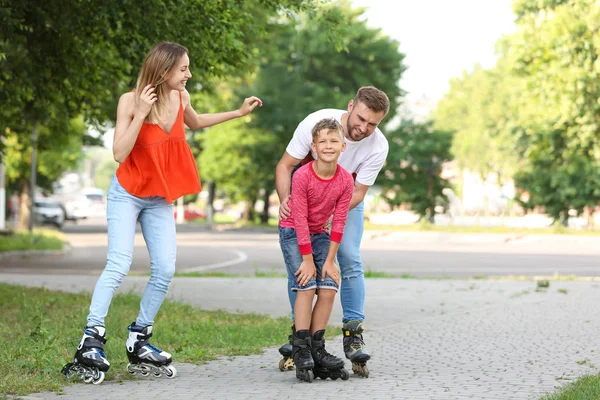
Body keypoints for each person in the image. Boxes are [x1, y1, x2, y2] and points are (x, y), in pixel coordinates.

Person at [62, 41, 262, 384]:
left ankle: (139, 336)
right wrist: (140, 112)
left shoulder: (181, 98)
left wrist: (238, 113)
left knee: (166, 267)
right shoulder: (130, 100)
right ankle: (91, 337)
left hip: (159, 196)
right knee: (119, 262)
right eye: (183, 69)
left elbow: (195, 123)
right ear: (164, 71)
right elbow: (119, 153)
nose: (189, 74)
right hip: (127, 192)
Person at [276, 86, 390, 378]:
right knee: (303, 272)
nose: (363, 128)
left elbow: (359, 192)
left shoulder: (378, 146)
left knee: (349, 259)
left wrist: (331, 214)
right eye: (360, 118)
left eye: (372, 124)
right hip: (306, 197)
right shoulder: (318, 123)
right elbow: (285, 165)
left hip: (345, 200)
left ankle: (353, 333)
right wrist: (286, 202)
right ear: (351, 106)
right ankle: (300, 336)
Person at [279, 118, 353, 382]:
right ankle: (300, 349)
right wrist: (308, 261)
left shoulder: (345, 180)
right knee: (307, 284)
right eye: (322, 141)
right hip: (293, 232)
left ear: (343, 146)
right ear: (313, 147)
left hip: (321, 234)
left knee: (330, 286)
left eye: (334, 141)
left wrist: (330, 260)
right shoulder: (302, 175)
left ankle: (317, 348)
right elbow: (299, 218)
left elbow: (340, 221)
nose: (328, 146)